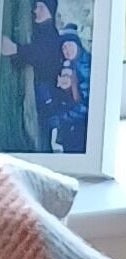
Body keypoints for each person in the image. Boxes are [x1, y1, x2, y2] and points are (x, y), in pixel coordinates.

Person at [1, 0, 67, 149]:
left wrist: (16, 49)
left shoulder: (50, 34)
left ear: (49, 11)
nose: (35, 11)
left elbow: (43, 55)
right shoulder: (38, 31)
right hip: (37, 97)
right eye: (35, 7)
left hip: (46, 98)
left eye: (40, 7)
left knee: (42, 136)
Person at [42, 60, 80, 152]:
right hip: (52, 112)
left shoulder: (73, 98)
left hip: (62, 119)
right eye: (64, 77)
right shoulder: (51, 84)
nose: (65, 80)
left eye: (67, 78)